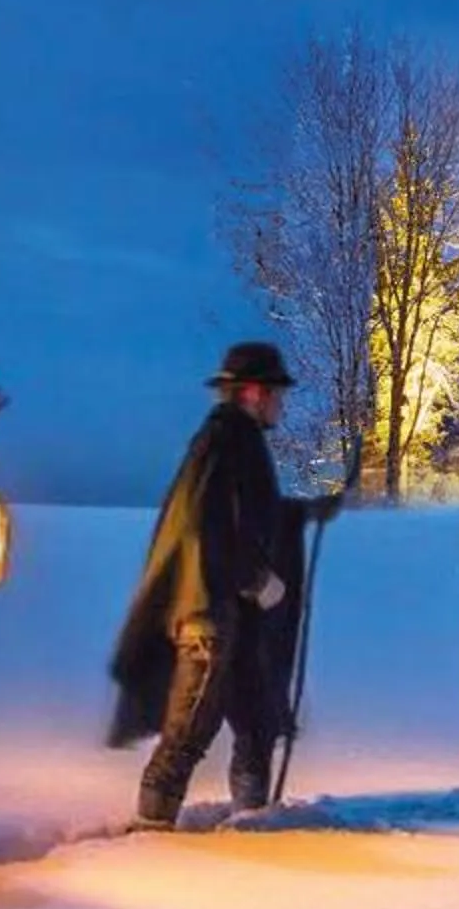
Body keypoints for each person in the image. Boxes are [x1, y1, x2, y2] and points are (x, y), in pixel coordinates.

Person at [107, 341, 340, 827]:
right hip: (207, 614)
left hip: (224, 613)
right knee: (189, 729)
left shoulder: (238, 441)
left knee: (255, 719)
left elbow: (252, 516)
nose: (281, 403)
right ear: (253, 392)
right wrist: (253, 578)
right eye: (276, 393)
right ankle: (151, 830)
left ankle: (252, 819)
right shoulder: (224, 440)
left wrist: (303, 513)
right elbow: (207, 522)